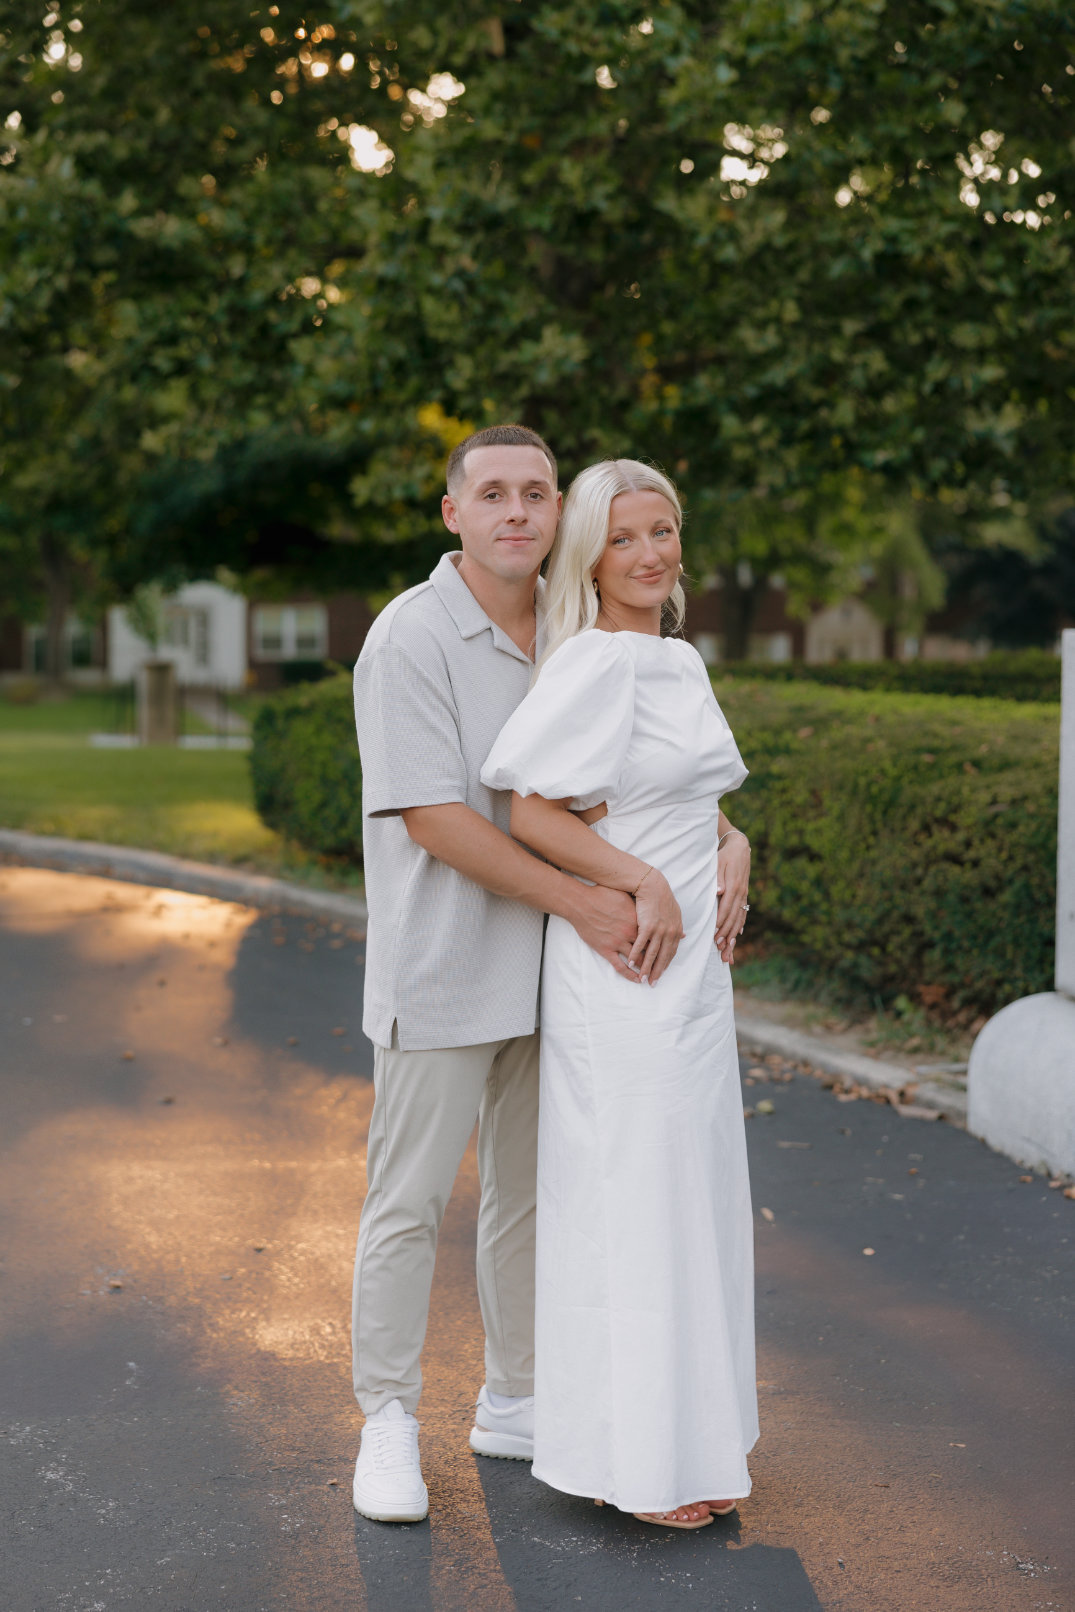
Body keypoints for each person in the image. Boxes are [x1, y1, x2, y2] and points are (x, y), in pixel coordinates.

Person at [349, 425, 704, 1524]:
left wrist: (723, 840)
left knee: (523, 1200)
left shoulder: (573, 623)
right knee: (407, 1202)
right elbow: (438, 820)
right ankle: (387, 1420)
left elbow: (648, 767)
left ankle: (513, 1396)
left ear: (560, 514)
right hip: (446, 967)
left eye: (536, 494)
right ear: (451, 512)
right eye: (492, 494)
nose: (517, 512)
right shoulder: (410, 637)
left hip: (554, 979)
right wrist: (589, 899)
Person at [481, 458, 758, 1529]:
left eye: (665, 530)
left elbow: (682, 797)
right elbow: (533, 812)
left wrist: (735, 843)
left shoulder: (675, 662)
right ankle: (634, 1457)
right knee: (634, 1201)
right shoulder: (595, 660)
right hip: (627, 965)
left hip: (694, 978)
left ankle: (689, 1437)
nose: (651, 554)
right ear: (590, 554)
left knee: (691, 1195)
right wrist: (641, 880)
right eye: (626, 536)